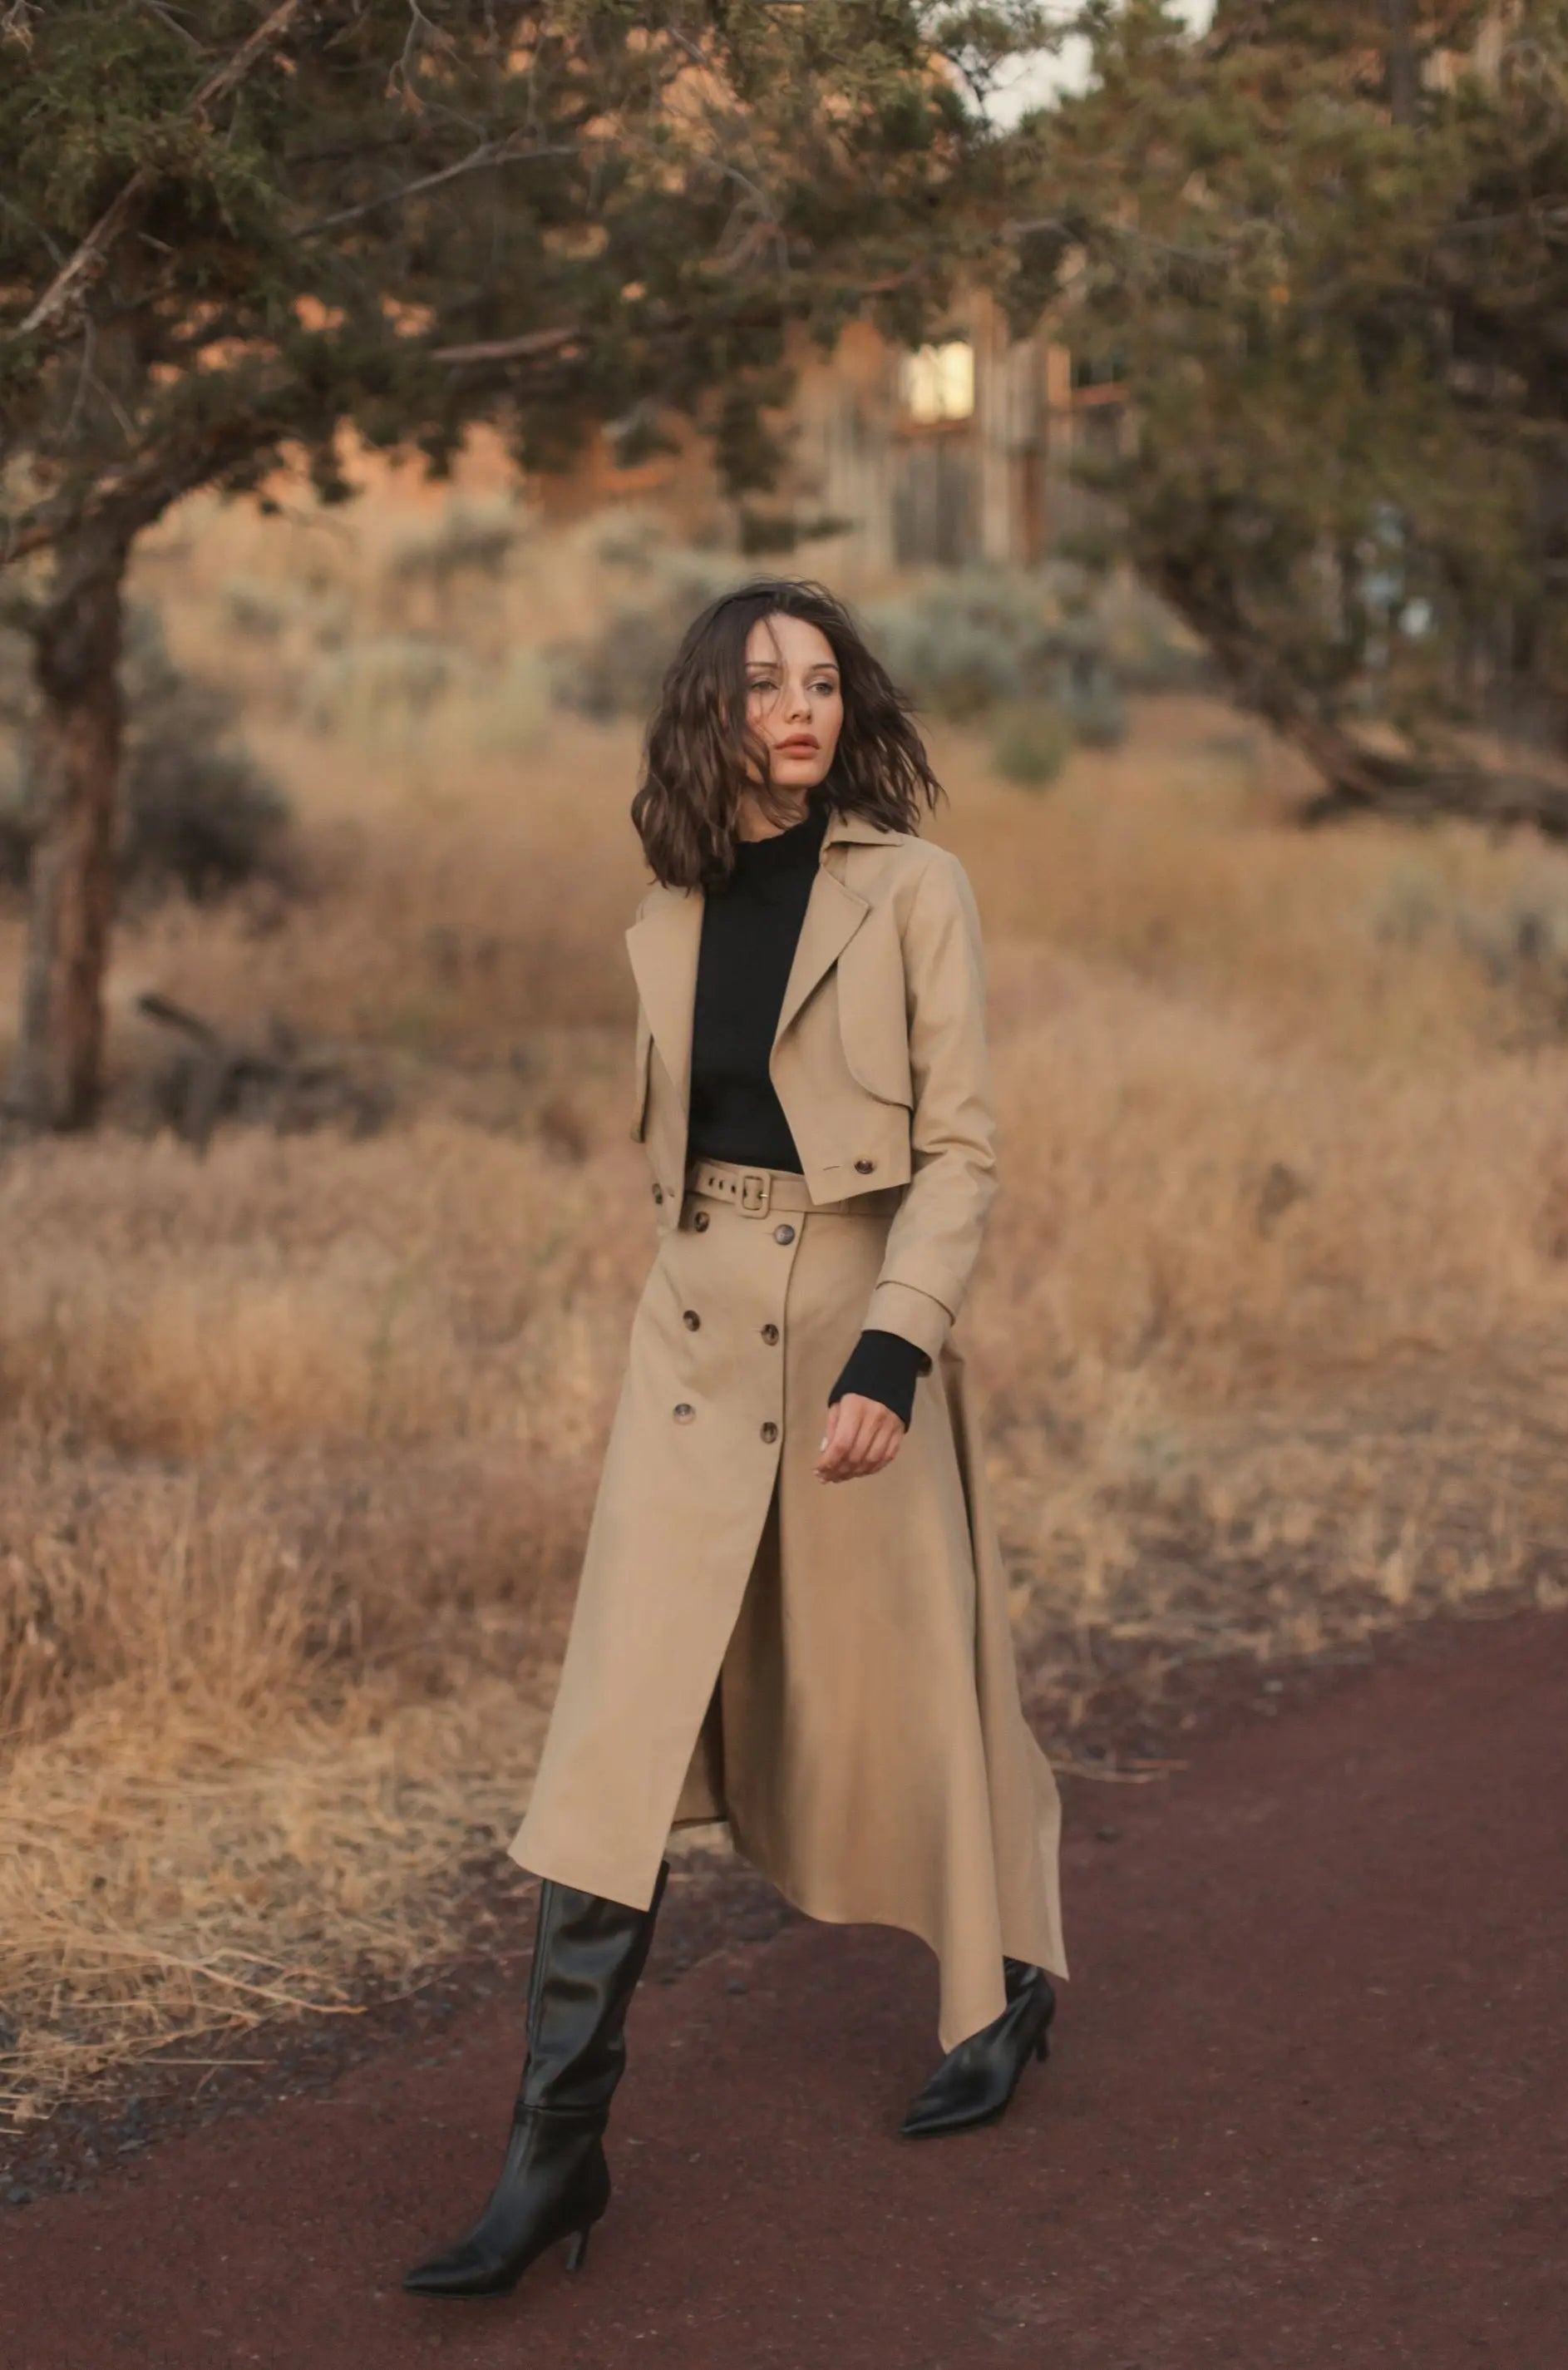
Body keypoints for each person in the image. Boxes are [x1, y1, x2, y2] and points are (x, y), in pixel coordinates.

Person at [404, 580, 1068, 2303]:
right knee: (611, 1736)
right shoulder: (669, 909)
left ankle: (1000, 1985)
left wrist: (896, 1351)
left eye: (822, 680)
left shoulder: (916, 890)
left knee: (918, 1685)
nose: (797, 705)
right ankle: (553, 2155)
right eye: (763, 681)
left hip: (856, 1316)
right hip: (690, 1348)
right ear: (711, 709)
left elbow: (965, 1150)